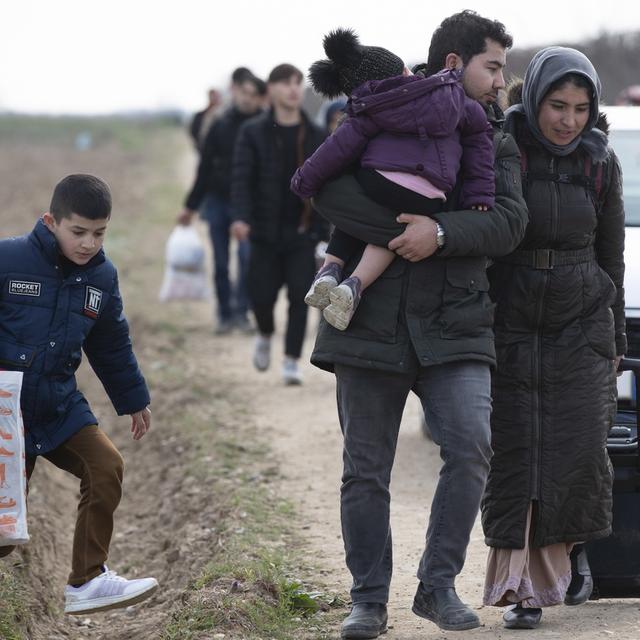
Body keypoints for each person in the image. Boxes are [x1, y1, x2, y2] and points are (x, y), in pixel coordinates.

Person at [307, 11, 528, 637]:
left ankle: (437, 587)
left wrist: (440, 231)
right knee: (365, 468)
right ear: (456, 64)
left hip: (456, 321)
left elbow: (510, 222)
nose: (500, 82)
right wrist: (399, 228)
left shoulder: (494, 133)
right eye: (493, 67)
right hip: (367, 319)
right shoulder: (381, 107)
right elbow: (328, 193)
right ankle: (368, 601)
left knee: (470, 447)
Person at [481, 47, 625, 630]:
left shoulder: (601, 162)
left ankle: (570, 554)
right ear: (534, 98)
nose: (568, 120)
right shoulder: (502, 151)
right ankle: (521, 591)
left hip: (581, 320)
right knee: (517, 452)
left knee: (579, 450)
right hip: (511, 322)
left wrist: (612, 334)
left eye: (580, 108)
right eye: (557, 106)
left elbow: (611, 254)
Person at [0, 174, 158, 615]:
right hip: (5, 413)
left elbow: (111, 343)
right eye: (79, 232)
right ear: (51, 221)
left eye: (99, 233)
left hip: (57, 405)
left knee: (106, 465)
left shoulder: (101, 278)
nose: (89, 243)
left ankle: (87, 581)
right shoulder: (7, 259)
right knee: (2, 538)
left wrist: (133, 399)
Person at [291, 28, 495, 331]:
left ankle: (331, 268)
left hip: (379, 180)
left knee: (361, 206)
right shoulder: (452, 96)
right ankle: (355, 285)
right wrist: (480, 194)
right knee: (393, 229)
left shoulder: (370, 108)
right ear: (405, 71)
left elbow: (335, 150)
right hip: (430, 194)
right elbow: (480, 140)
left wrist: (303, 182)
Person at [230, 63, 327, 385]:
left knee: (301, 295)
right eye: (285, 82)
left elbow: (325, 185)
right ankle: (265, 333)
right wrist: (241, 217)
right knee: (261, 295)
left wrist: (324, 232)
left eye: (298, 82)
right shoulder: (252, 132)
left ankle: (290, 361)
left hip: (302, 232)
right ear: (270, 89)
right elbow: (242, 178)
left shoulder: (314, 134)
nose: (293, 88)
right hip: (263, 232)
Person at [179, 72, 263, 335]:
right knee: (221, 261)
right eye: (243, 93)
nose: (247, 99)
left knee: (247, 258)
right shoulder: (220, 125)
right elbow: (204, 169)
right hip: (217, 201)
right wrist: (190, 206)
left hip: (250, 205)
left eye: (253, 94)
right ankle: (224, 314)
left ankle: (242, 313)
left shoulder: (264, 127)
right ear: (235, 92)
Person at [189, 88, 222, 153]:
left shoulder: (224, 115)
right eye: (212, 96)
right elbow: (194, 130)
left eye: (216, 96)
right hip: (204, 149)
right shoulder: (200, 115)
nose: (214, 98)